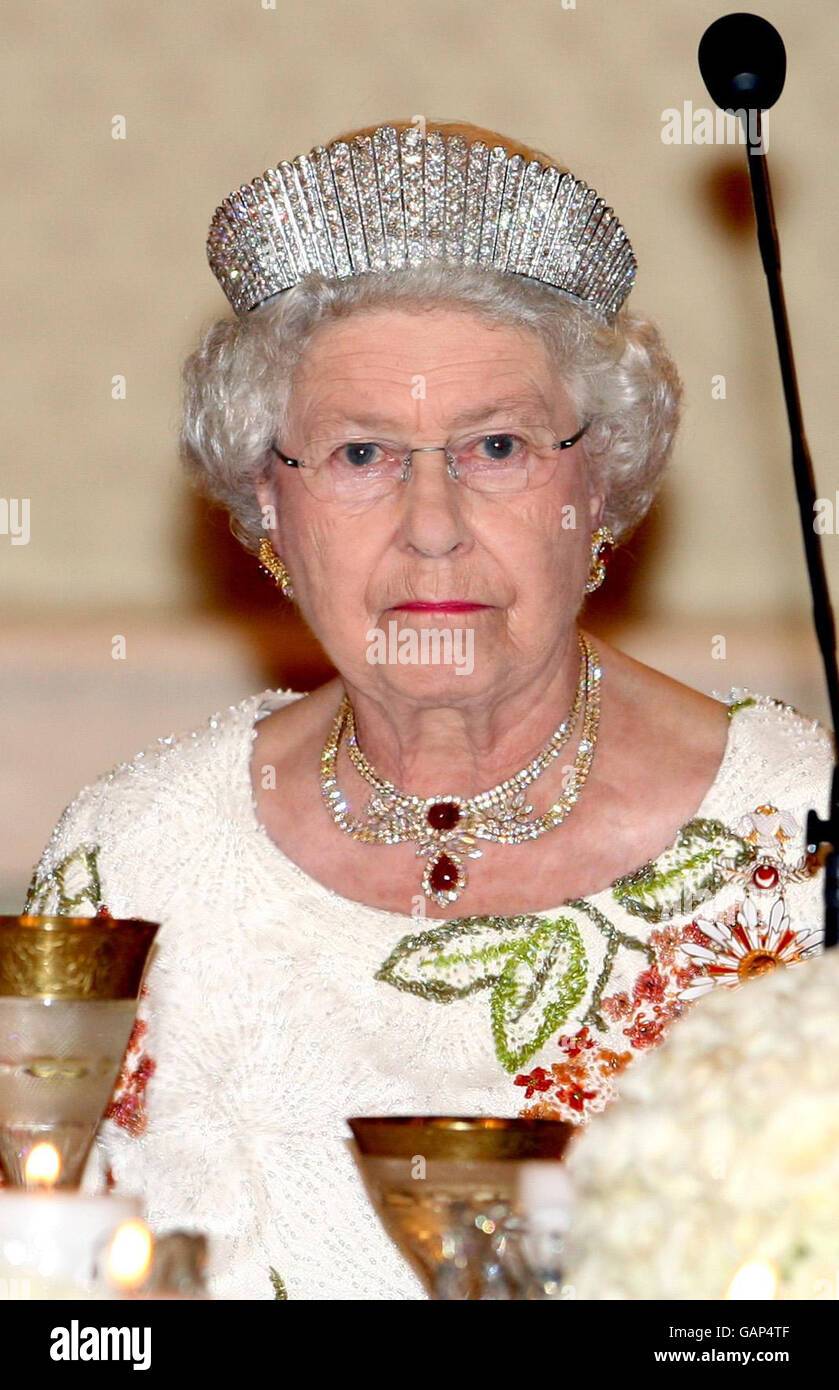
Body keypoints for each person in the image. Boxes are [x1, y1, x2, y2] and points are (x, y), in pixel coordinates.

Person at [23, 119, 832, 1300]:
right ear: (267, 505)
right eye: (360, 455)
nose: (433, 522)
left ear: (596, 486)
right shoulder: (131, 866)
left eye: (495, 445)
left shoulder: (795, 843)